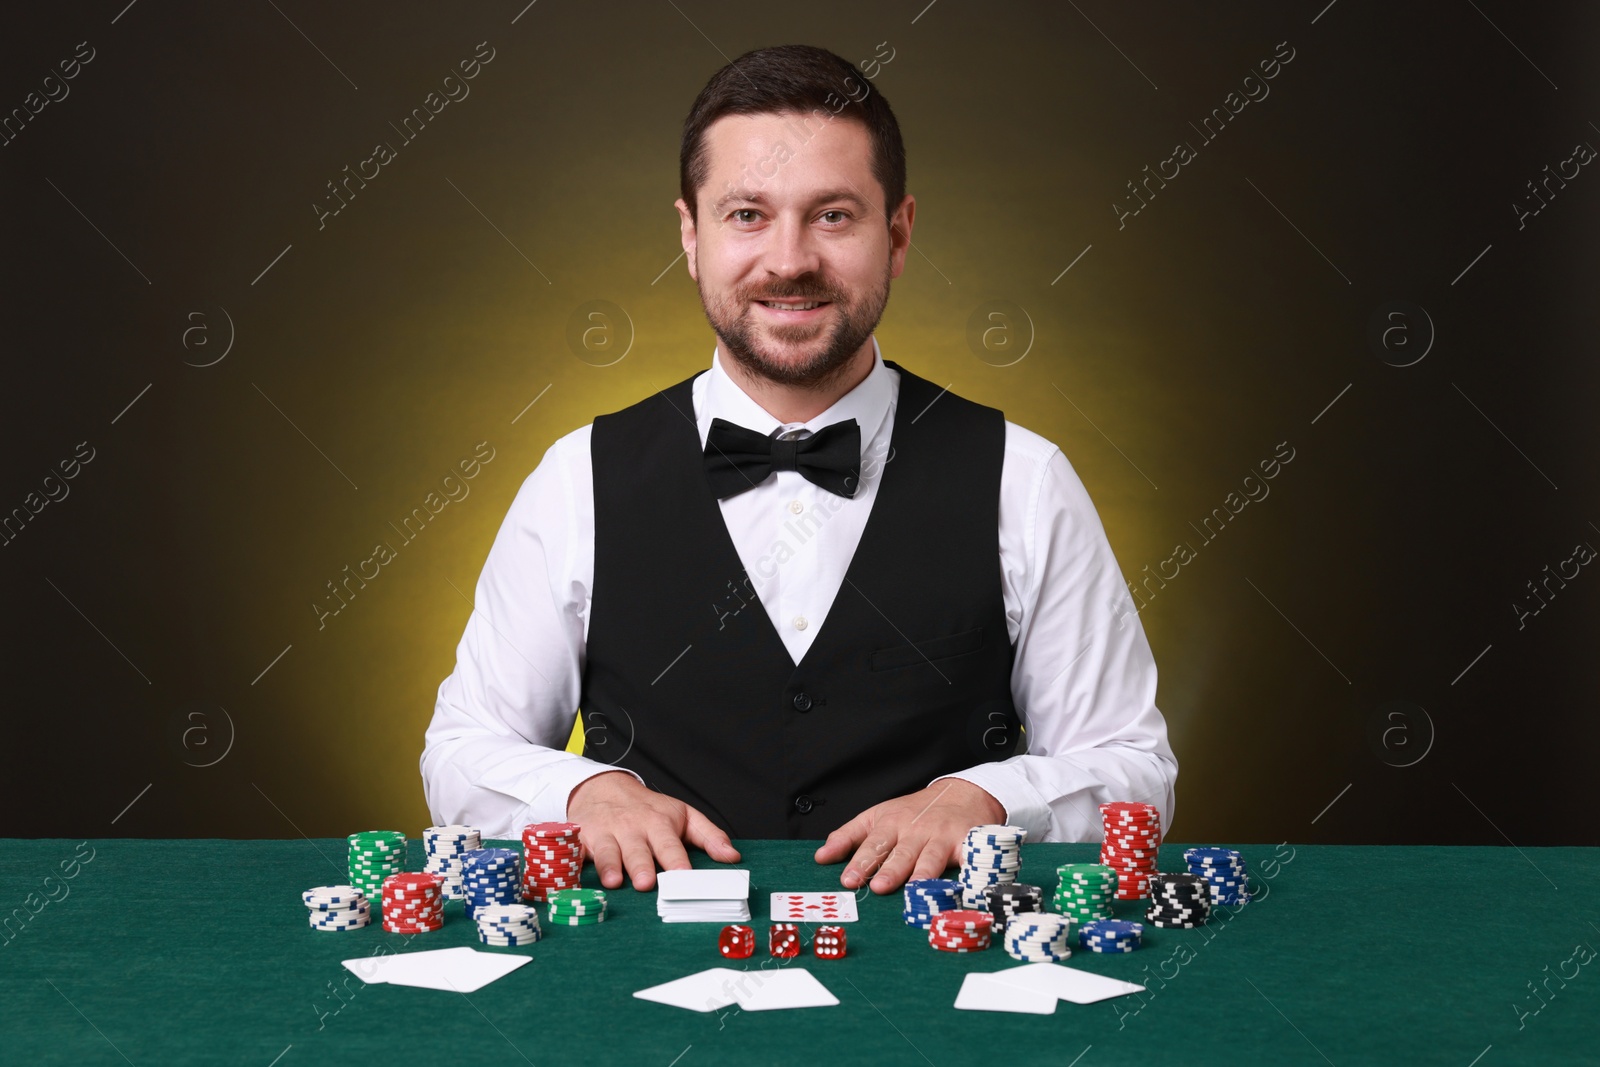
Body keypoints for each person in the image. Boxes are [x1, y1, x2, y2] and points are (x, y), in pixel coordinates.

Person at [422, 43, 1175, 897]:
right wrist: (582, 786)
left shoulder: (1025, 479)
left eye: (833, 215)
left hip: (937, 997)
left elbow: (1132, 766)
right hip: (638, 996)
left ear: (897, 236)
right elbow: (458, 753)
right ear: (689, 235)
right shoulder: (576, 480)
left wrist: (991, 795)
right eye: (747, 214)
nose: (789, 261)